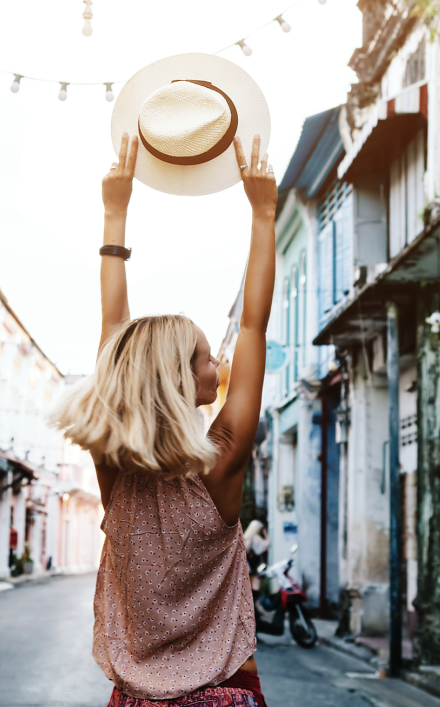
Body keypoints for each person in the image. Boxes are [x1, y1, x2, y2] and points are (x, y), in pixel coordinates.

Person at [53, 129, 276, 707]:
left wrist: (115, 213)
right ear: (182, 379)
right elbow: (254, 326)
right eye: (206, 357)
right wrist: (264, 213)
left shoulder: (115, 474)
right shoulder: (221, 464)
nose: (218, 364)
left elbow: (113, 336)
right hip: (225, 696)